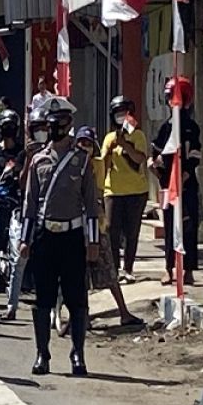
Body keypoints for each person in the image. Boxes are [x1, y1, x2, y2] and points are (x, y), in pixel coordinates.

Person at [19, 96, 98, 376]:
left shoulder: (81, 160)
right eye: (50, 124)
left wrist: (93, 243)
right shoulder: (39, 160)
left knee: (77, 298)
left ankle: (78, 354)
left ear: (69, 124)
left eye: (59, 124)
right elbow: (29, 204)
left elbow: (91, 205)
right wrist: (25, 240)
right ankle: (43, 354)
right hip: (45, 236)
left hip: (73, 236)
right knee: (43, 298)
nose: (54, 129)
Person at [76, 127, 144, 328]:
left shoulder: (96, 165)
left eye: (88, 144)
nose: (84, 148)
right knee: (82, 273)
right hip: (77, 224)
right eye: (82, 143)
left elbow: (97, 188)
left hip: (95, 223)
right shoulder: (70, 166)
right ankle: (84, 315)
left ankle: (124, 312)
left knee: (109, 271)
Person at [151, 76, 202, 286]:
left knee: (189, 227)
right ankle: (169, 269)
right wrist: (156, 166)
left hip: (187, 185)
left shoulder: (192, 127)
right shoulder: (165, 127)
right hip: (168, 186)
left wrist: (185, 174)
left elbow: (196, 156)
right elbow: (155, 154)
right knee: (170, 226)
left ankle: (189, 270)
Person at [1, 108, 49, 319]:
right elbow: (21, 183)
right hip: (25, 213)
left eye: (43, 128)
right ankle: (12, 306)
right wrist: (29, 158)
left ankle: (51, 310)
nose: (41, 132)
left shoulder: (54, 152)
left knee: (48, 265)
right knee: (18, 260)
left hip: (48, 214)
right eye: (36, 129)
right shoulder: (23, 154)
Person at [101, 96, 149, 283]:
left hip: (136, 191)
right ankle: (114, 270)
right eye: (117, 114)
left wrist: (124, 145)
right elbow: (103, 165)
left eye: (124, 113)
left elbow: (139, 159)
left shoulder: (138, 135)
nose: (121, 117)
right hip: (113, 190)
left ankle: (128, 268)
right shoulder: (109, 138)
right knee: (112, 231)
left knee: (131, 232)